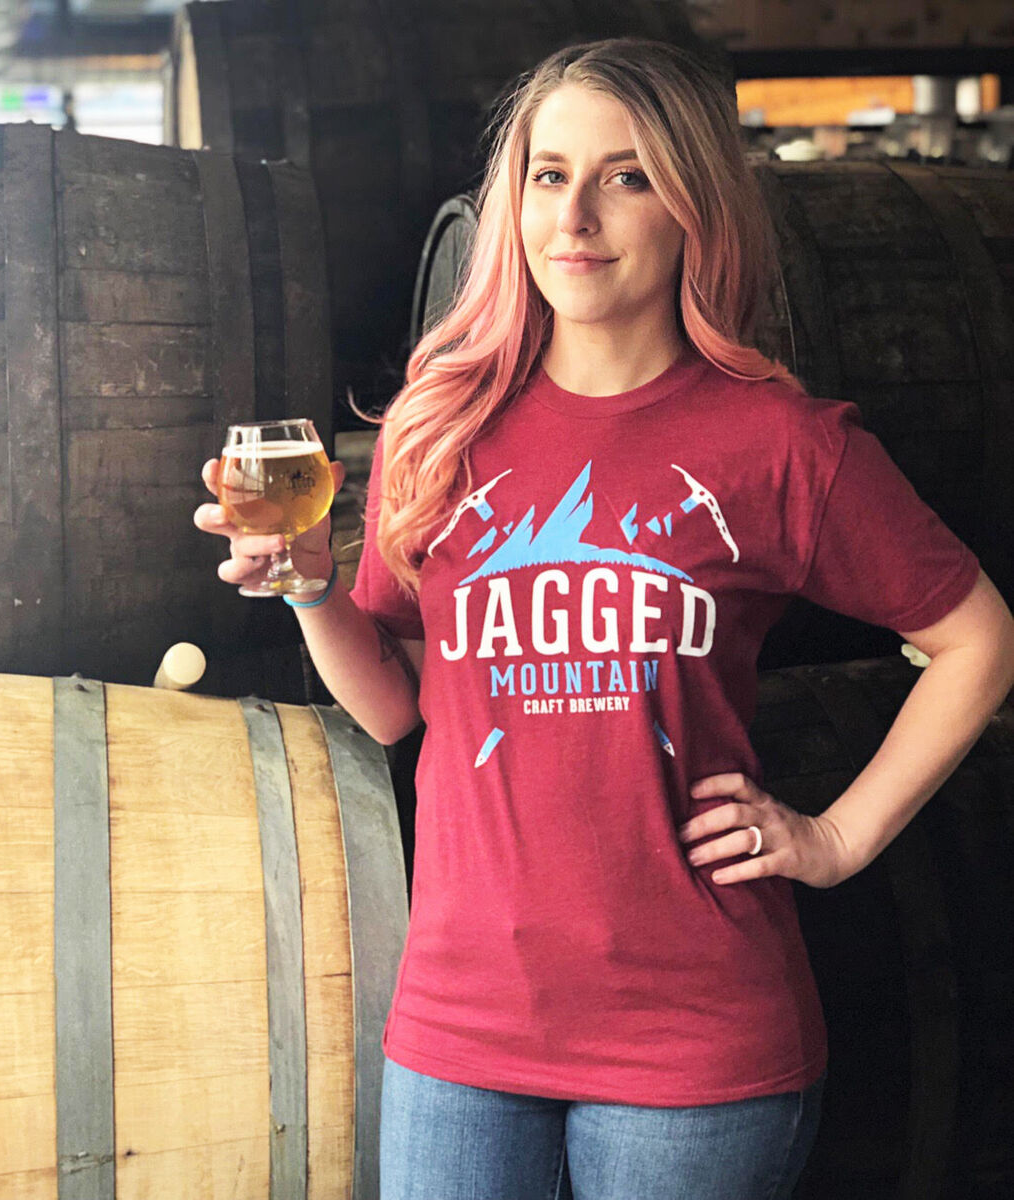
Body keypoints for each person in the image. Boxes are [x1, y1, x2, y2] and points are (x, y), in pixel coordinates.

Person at [194, 37, 1014, 1200]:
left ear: (696, 209)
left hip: (698, 1039)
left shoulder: (781, 446)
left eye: (627, 176)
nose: (575, 214)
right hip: (460, 1027)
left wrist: (834, 839)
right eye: (547, 174)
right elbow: (395, 707)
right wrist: (311, 585)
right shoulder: (440, 432)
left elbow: (978, 638)